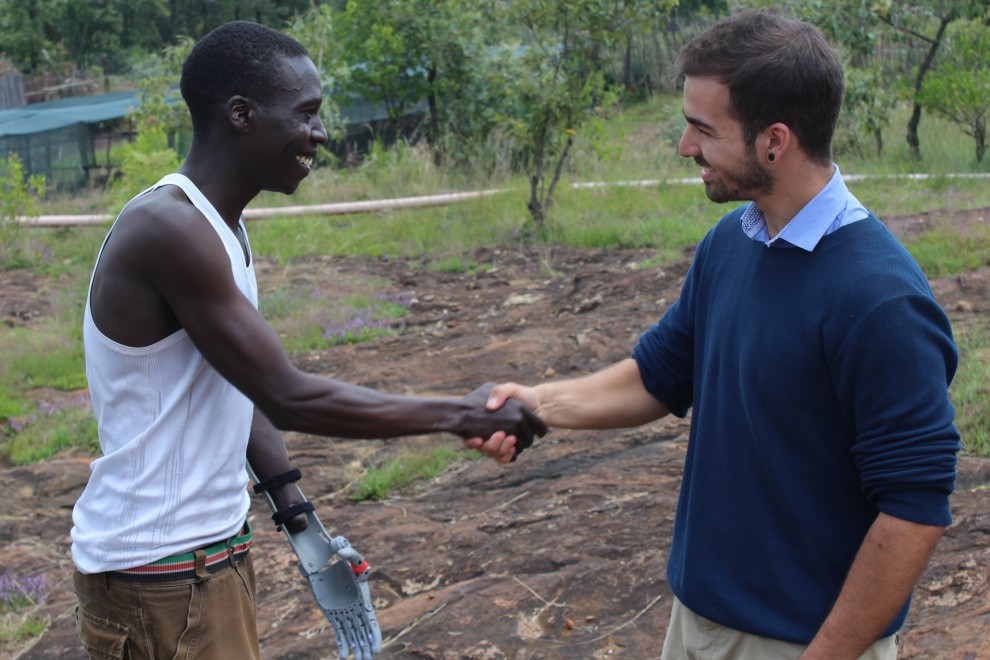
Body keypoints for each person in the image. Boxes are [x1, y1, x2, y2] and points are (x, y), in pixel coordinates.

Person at [471, 9, 960, 660]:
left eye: (702, 128)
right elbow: (660, 374)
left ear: (774, 142)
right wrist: (537, 402)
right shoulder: (731, 243)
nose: (684, 147)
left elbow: (913, 512)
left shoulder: (879, 299)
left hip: (801, 643)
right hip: (698, 622)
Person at [70, 20, 544, 660]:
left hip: (204, 557)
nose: (320, 133)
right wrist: (462, 414)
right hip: (162, 573)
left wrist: (301, 521)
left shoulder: (220, 225)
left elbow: (237, 388)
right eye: (307, 114)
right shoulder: (170, 229)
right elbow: (288, 395)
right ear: (242, 115)